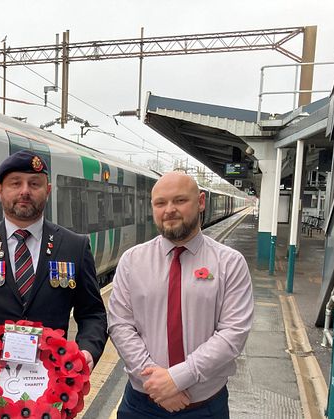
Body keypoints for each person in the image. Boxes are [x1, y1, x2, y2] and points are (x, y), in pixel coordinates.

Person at [0, 150, 107, 416]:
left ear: (47, 190)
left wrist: (87, 352)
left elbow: (93, 313)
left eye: (34, 183)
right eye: (16, 183)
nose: (25, 191)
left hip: (52, 399)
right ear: (0, 190)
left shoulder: (74, 246)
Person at [107, 171, 253, 418]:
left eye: (180, 200)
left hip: (204, 408)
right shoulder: (132, 261)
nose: (169, 210)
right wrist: (157, 384)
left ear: (201, 202)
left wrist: (177, 378)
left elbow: (233, 333)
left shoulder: (230, 263)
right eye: (160, 203)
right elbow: (120, 324)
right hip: (141, 405)